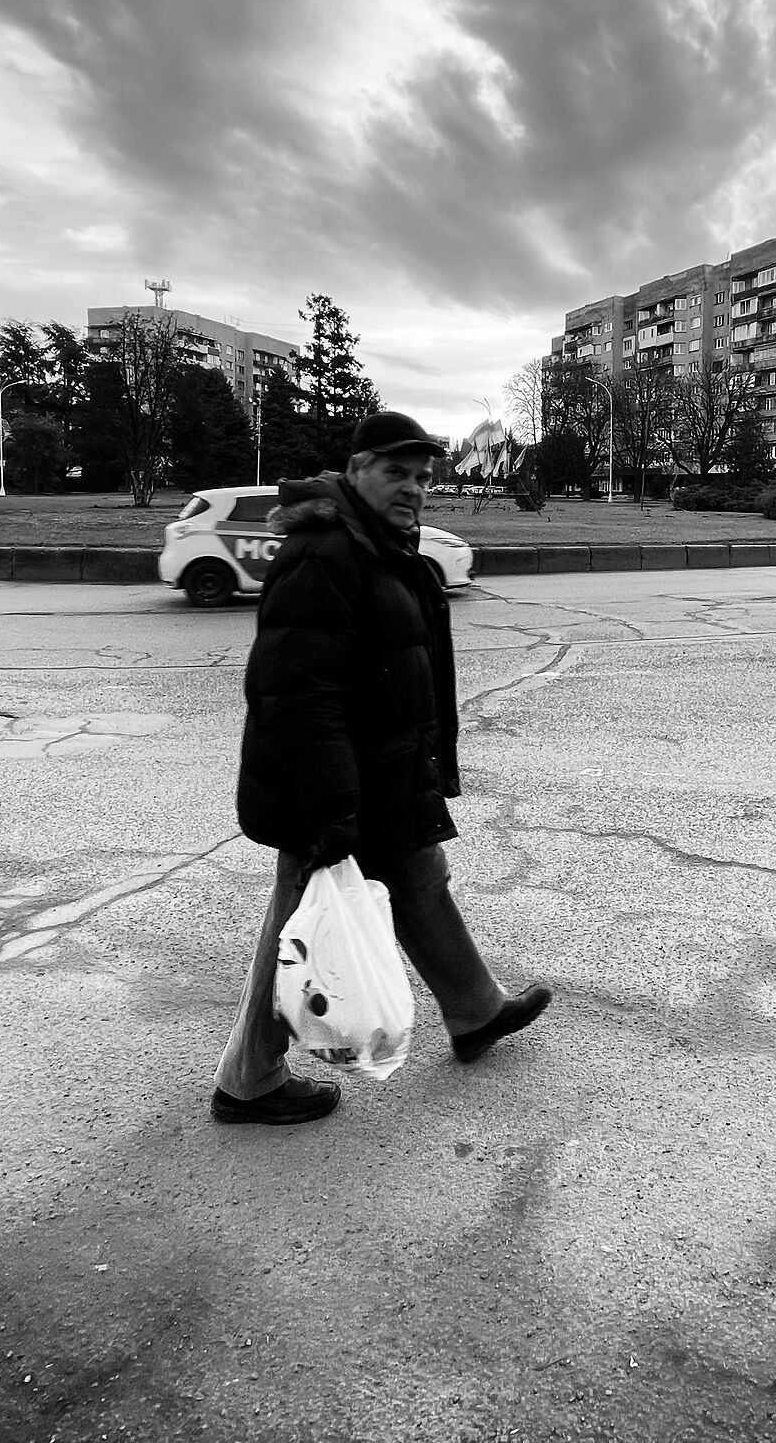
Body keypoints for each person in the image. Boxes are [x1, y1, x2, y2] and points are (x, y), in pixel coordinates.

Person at [211, 411, 551, 1126]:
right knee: (299, 926)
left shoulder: (381, 547)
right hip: (332, 789)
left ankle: (475, 1011)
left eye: (424, 476)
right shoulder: (324, 552)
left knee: (421, 879)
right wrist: (330, 807)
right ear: (358, 468)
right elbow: (298, 691)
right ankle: (248, 1081)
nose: (414, 488)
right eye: (397, 471)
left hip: (382, 775)